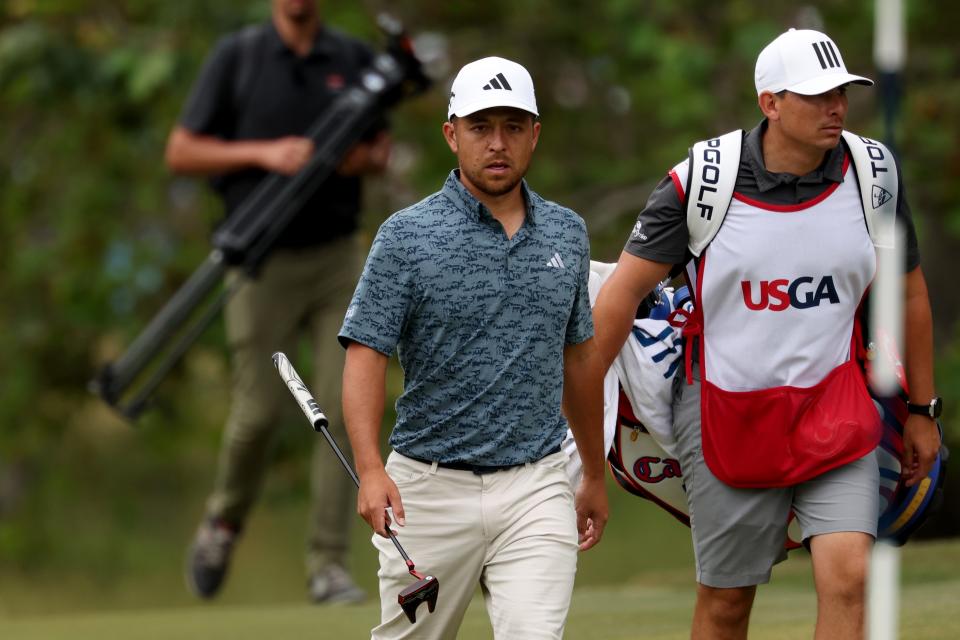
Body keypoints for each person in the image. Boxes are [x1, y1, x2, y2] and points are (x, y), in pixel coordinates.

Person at [593, 28, 941, 639]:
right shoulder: (702, 182)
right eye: (815, 95)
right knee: (728, 602)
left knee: (849, 578)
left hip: (835, 406)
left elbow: (907, 289)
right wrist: (576, 410)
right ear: (770, 103)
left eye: (841, 92)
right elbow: (620, 295)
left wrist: (922, 409)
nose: (835, 106)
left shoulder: (872, 172)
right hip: (726, 411)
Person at [338, 56, 609, 639]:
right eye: (481, 127)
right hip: (428, 490)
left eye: (513, 127)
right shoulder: (406, 236)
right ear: (451, 134)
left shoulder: (567, 232)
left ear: (534, 135)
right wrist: (368, 469)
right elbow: (365, 353)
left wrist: (592, 471)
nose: (497, 143)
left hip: (537, 483)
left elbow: (580, 358)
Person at [165, 0, 392, 603]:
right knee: (260, 412)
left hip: (338, 258)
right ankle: (223, 520)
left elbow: (380, 150)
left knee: (347, 410)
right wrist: (263, 154)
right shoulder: (237, 57)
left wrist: (353, 160)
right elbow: (182, 151)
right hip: (260, 264)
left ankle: (329, 564)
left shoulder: (351, 57)